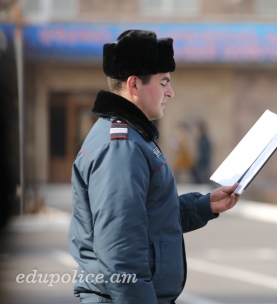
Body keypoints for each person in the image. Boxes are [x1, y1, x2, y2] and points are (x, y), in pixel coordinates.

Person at [68, 29, 240, 304]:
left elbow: (150, 217)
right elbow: (120, 250)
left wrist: (205, 205)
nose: (170, 92)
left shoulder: (133, 137)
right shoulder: (121, 147)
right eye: (163, 83)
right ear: (134, 85)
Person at [191, 120, 212, 184]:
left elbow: (205, 150)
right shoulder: (202, 138)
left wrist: (201, 158)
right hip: (204, 158)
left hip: (204, 158)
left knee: (202, 172)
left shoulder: (203, 138)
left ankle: (202, 183)